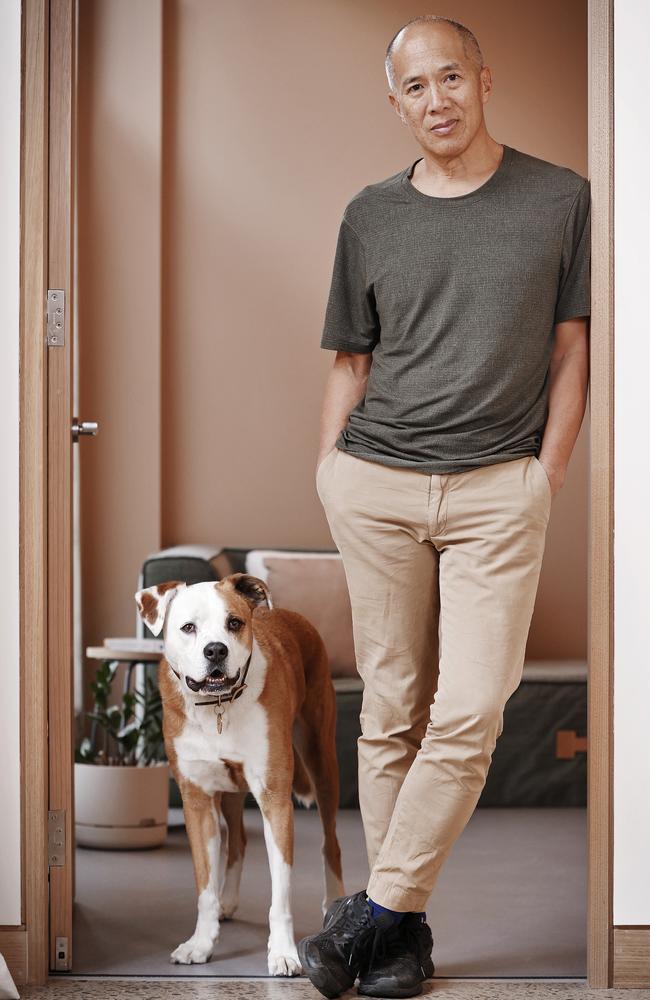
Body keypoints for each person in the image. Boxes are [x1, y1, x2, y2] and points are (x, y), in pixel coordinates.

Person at [297, 13, 591, 1000]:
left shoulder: (560, 199)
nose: (436, 101)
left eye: (449, 78)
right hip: (373, 482)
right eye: (414, 87)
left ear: (483, 78)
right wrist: (326, 467)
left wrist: (540, 474)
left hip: (495, 488)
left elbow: (568, 348)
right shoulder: (368, 213)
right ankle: (404, 939)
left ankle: (369, 913)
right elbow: (351, 358)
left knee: (467, 706)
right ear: (396, 102)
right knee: (388, 713)